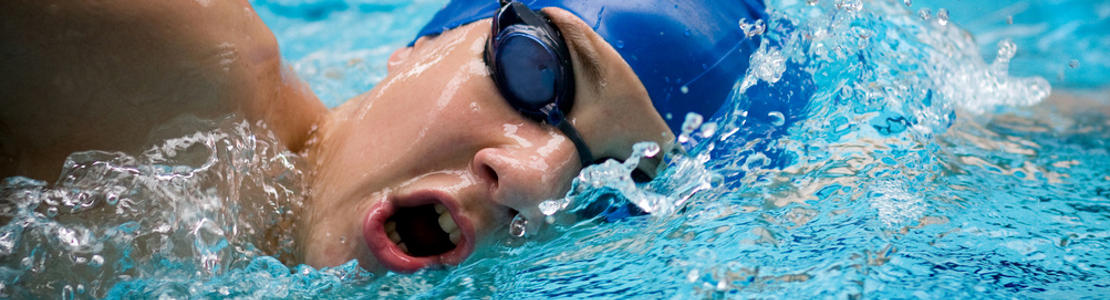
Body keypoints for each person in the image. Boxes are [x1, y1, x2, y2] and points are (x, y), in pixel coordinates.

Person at [0, 0, 767, 274]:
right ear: (421, 48)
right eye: (541, 74)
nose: (533, 177)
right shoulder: (178, 61)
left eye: (614, 189)